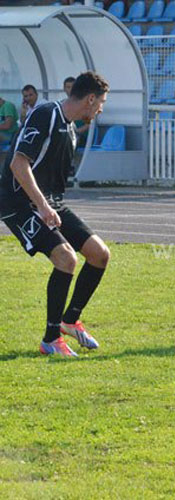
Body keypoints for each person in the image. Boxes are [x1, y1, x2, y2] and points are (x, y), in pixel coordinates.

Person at [0, 72, 112, 357]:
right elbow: (18, 164)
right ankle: (50, 340)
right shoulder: (46, 114)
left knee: (99, 254)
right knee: (65, 258)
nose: (101, 109)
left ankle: (70, 321)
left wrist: (49, 205)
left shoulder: (71, 128)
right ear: (90, 99)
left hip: (50, 202)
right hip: (18, 202)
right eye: (101, 103)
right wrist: (42, 206)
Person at [64, 76, 91, 146]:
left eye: (73, 87)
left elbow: (88, 125)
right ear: (64, 89)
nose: (71, 89)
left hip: (81, 136)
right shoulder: (62, 105)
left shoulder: (85, 105)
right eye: (68, 87)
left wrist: (75, 132)